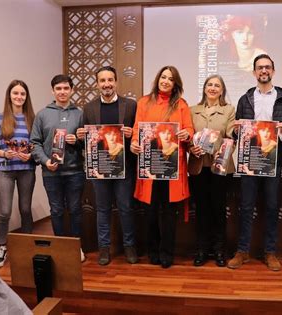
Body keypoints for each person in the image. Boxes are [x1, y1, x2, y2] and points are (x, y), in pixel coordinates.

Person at [227, 54, 282, 271]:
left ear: (273, 71)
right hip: (249, 162)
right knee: (246, 207)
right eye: (259, 68)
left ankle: (270, 252)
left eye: (267, 67)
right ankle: (242, 251)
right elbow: (237, 134)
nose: (263, 71)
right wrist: (236, 131)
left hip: (273, 163)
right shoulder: (245, 99)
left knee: (272, 207)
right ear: (254, 72)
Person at [130, 66, 194, 268]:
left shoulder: (181, 104)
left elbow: (189, 128)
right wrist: (134, 143)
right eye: (163, 77)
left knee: (168, 213)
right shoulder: (143, 102)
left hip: (171, 168)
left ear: (176, 84)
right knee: (150, 213)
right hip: (149, 167)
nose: (166, 81)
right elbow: (136, 129)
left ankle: (167, 253)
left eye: (171, 79)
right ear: (158, 79)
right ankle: (153, 250)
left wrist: (187, 135)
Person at [76, 66, 138, 266]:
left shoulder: (130, 106)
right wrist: (80, 136)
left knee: (126, 208)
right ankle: (104, 248)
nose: (107, 84)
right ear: (97, 84)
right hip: (100, 168)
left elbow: (139, 134)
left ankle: (129, 246)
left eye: (110, 80)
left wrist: (132, 135)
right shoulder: (89, 108)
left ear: (116, 82)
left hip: (124, 168)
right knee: (102, 209)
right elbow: (86, 139)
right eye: (102, 81)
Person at [30, 74, 86, 262]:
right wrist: (45, 161)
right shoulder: (42, 114)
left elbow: (88, 144)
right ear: (52, 91)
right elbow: (34, 143)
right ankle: (61, 247)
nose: (62, 92)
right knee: (56, 210)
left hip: (75, 171)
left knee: (76, 209)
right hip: (51, 172)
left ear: (71, 90)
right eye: (58, 88)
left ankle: (76, 246)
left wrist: (78, 140)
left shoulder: (80, 114)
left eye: (66, 88)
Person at [0, 80, 36, 268]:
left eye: (22, 94)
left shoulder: (32, 119)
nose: (19, 97)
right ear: (9, 96)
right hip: (4, 170)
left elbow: (37, 144)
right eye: (15, 93)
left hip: (26, 170)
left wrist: (31, 154)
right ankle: (2, 247)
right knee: (4, 212)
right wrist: (4, 153)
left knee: (26, 209)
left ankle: (27, 245)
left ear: (26, 97)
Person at [188, 75, 235, 267]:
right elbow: (187, 136)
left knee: (218, 210)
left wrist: (220, 151)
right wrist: (192, 147)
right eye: (210, 84)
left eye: (217, 85)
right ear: (204, 88)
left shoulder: (229, 110)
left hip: (220, 167)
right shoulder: (193, 110)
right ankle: (201, 250)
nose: (213, 88)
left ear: (222, 90)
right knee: (201, 211)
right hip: (199, 168)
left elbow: (231, 136)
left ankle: (219, 251)